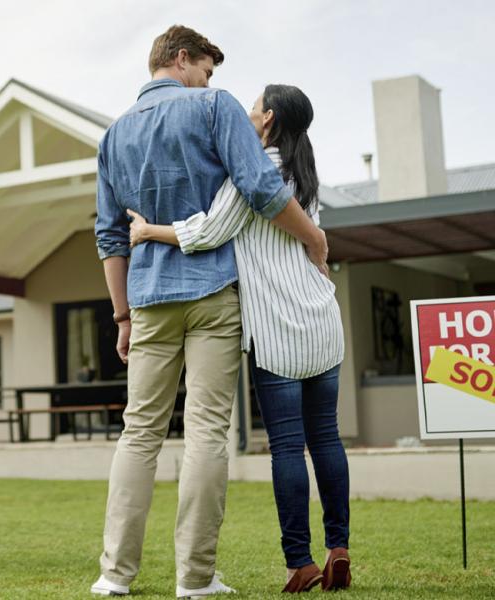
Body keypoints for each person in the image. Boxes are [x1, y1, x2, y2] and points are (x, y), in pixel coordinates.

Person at [91, 25, 328, 598]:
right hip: (212, 292)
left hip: (146, 301)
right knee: (205, 433)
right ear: (182, 58)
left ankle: (113, 576)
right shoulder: (213, 106)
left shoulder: (113, 135)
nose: (209, 80)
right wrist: (315, 240)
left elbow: (109, 237)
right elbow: (261, 189)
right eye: (206, 68)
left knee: (138, 433)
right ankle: (195, 580)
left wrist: (121, 317)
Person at [128, 84, 351, 593]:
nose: (247, 113)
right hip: (322, 318)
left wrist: (147, 232)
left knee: (289, 449)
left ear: (267, 118)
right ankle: (339, 547)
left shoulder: (254, 171)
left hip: (278, 329)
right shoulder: (306, 173)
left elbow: (208, 232)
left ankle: (301, 563)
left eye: (254, 106)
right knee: (327, 439)